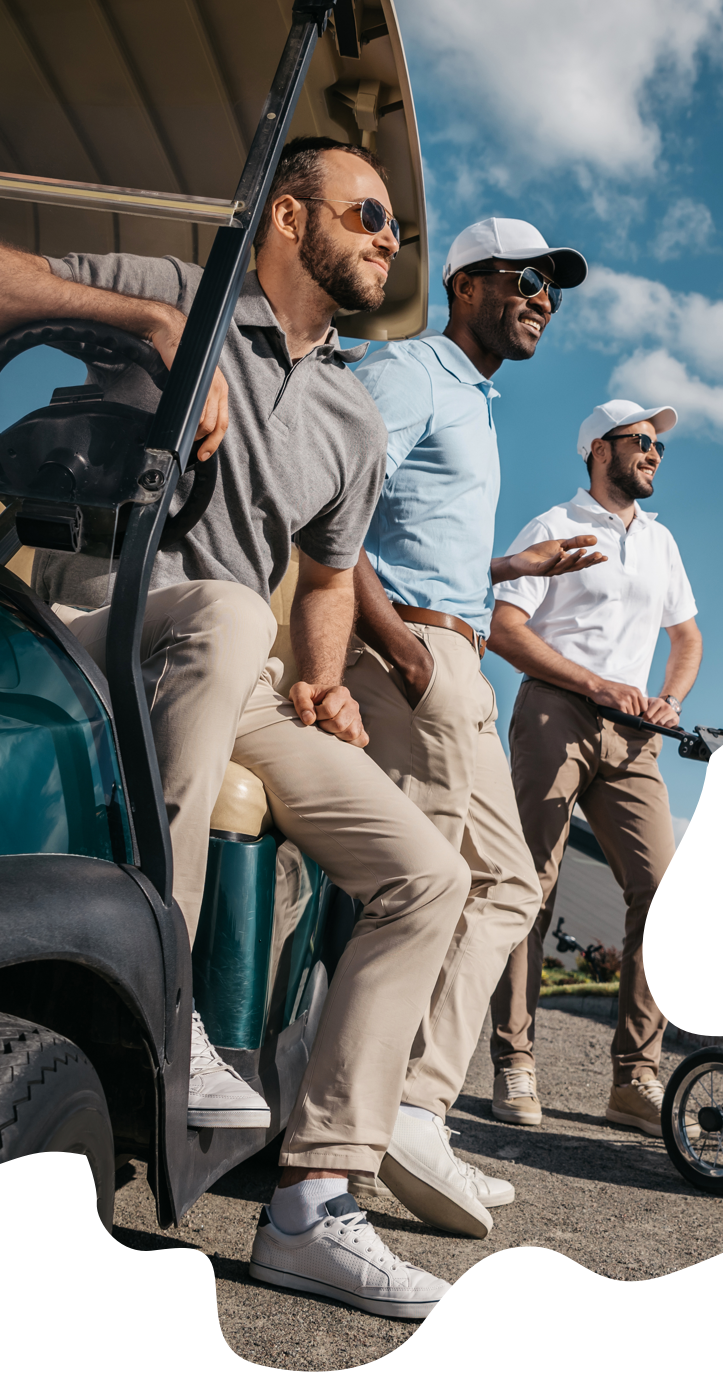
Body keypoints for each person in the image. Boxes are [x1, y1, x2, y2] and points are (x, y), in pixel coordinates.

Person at [0, 136, 471, 1318]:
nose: (387, 239)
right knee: (215, 607)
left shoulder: (353, 420)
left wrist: (325, 679)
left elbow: (323, 581)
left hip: (241, 674)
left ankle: (316, 1202)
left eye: (396, 231)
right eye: (368, 214)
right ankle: (175, 1005)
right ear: (287, 215)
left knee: (426, 871)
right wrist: (143, 328)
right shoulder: (173, 291)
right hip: (93, 610)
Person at [343, 218, 596, 1236]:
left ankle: (414, 1109)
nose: (544, 297)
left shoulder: (475, 404)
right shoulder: (407, 372)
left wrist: (505, 571)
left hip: (456, 651)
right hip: (418, 658)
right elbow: (325, 509)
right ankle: (359, 1134)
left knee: (508, 883)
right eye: (528, 279)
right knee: (438, 889)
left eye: (553, 287)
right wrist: (403, 652)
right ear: (469, 281)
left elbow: (421, 536)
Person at [486, 398, 702, 1138]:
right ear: (596, 449)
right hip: (557, 712)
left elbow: (687, 635)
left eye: (659, 446)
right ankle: (513, 1059)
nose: (653, 453)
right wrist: (592, 683)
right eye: (640, 440)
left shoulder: (661, 543)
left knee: (662, 890)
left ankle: (634, 1077)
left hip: (635, 733)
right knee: (531, 882)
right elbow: (503, 629)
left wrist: (669, 698)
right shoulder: (552, 527)